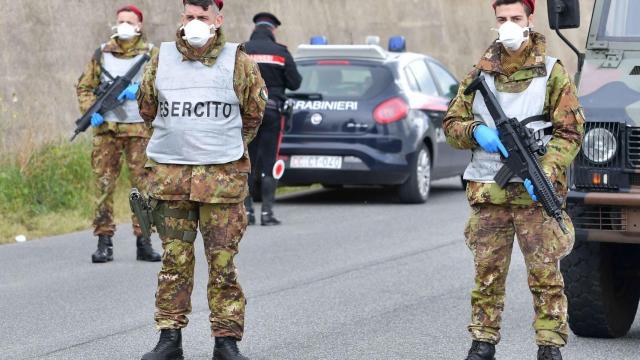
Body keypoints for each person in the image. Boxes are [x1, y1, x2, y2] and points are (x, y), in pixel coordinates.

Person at [443, 1, 585, 359]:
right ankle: (482, 342)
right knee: (487, 275)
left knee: (546, 277)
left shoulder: (552, 72)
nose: (508, 25)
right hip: (489, 194)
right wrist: (477, 133)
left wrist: (547, 172)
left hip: (535, 196)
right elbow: (451, 126)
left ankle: (549, 346)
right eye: (502, 19)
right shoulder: (479, 74)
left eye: (515, 19)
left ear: (529, 21)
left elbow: (570, 132)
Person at [137, 0, 266, 359]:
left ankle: (225, 342)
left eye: (202, 18)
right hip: (172, 180)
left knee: (222, 263)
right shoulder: (160, 59)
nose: (195, 24)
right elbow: (147, 108)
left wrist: (223, 148)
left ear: (217, 20)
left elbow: (254, 114)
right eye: (190, 17)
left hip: (222, 182)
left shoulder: (238, 61)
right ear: (182, 18)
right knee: (173, 263)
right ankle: (169, 340)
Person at [76, 4, 161, 264]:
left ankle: (144, 241)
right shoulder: (101, 54)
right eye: (120, 20)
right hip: (107, 131)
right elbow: (84, 87)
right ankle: (104, 242)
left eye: (129, 20)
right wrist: (90, 112)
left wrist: (140, 90)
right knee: (103, 185)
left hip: (139, 130)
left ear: (139, 26)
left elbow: (164, 85)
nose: (123, 24)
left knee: (143, 188)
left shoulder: (151, 54)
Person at [243, 12, 302, 226]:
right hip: (273, 112)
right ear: (272, 30)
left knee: (246, 161)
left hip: (247, 114)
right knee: (270, 160)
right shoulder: (281, 52)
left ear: (255, 28)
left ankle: (247, 213)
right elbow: (296, 83)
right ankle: (267, 213)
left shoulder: (242, 50)